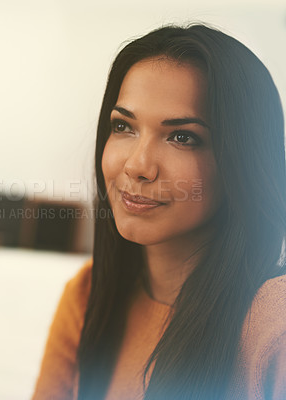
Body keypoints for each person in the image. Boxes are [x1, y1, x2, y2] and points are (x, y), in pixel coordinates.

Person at [31, 23, 286, 400]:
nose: (138, 165)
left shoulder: (274, 324)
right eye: (123, 126)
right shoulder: (87, 295)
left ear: (242, 161)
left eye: (182, 137)